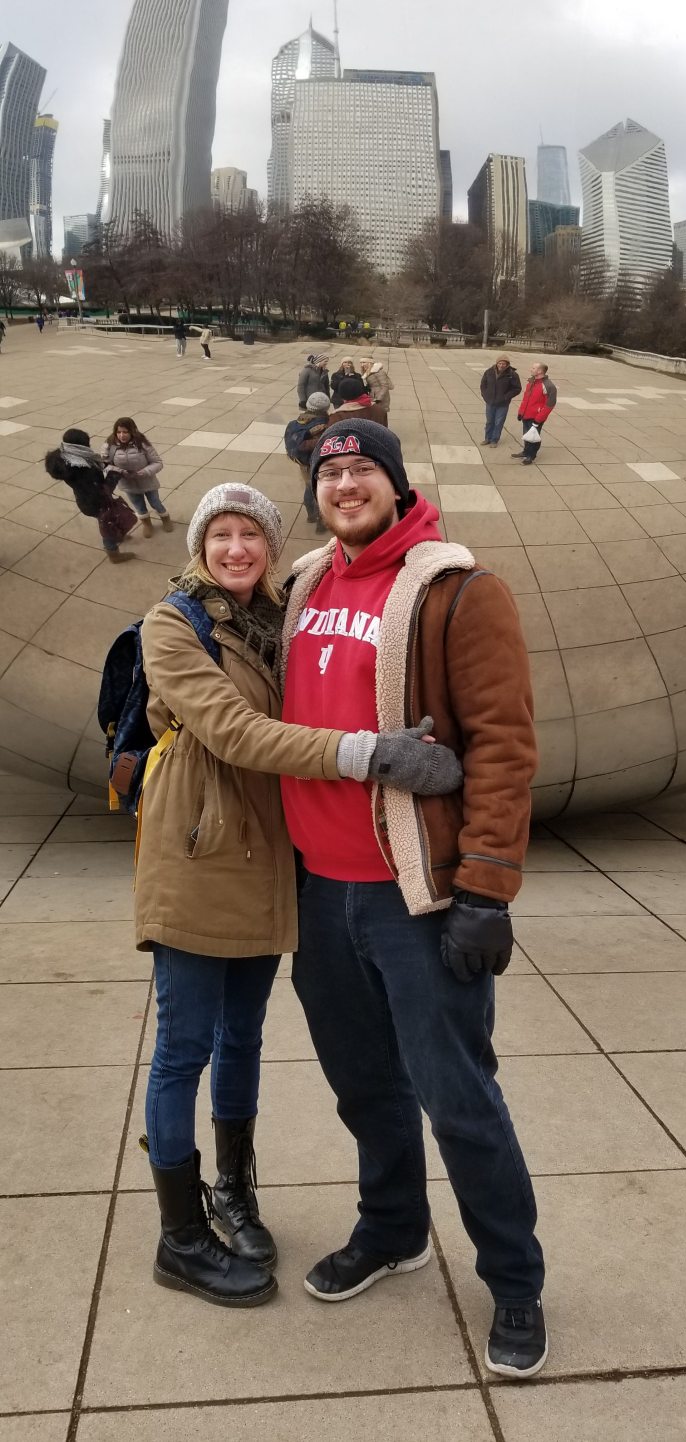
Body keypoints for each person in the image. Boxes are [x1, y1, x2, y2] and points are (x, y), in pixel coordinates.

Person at [135, 480, 464, 1308]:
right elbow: (235, 731)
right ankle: (180, 1236)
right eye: (221, 534)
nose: (236, 549)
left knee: (243, 1037)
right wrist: (367, 754)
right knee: (184, 1047)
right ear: (200, 545)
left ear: (272, 548)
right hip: (197, 855)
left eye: (252, 534)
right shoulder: (173, 624)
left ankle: (234, 1195)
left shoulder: (280, 618)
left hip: (268, 859)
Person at [281, 418, 547, 1380]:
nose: (346, 484)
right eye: (331, 472)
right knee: (365, 1089)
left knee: (458, 1099)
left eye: (364, 470)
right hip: (319, 894)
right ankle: (393, 1229)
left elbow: (505, 746)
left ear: (396, 484)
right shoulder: (304, 584)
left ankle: (514, 1282)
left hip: (417, 901)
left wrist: (487, 887)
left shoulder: (458, 590)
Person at [45, 428, 137, 563]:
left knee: (109, 521)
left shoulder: (68, 458)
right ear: (79, 446)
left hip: (85, 501)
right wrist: (114, 474)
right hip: (96, 502)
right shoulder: (80, 468)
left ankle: (117, 535)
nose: (88, 447)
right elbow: (102, 489)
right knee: (108, 525)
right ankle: (113, 553)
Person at [102, 417, 173, 535]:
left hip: (147, 481)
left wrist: (144, 472)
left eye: (125, 432)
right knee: (139, 506)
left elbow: (157, 463)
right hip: (128, 484)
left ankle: (165, 518)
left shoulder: (142, 444)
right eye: (119, 432)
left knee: (155, 502)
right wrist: (120, 471)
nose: (122, 435)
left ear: (132, 431)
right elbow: (105, 465)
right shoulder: (109, 446)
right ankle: (147, 524)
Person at [284, 392, 332, 532]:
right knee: (320, 490)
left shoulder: (298, 422)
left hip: (304, 463)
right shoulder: (324, 424)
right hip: (319, 462)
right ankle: (321, 522)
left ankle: (311, 515)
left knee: (309, 487)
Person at [512, 362, 557, 465]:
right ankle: (525, 452)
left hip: (536, 417)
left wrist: (538, 419)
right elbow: (525, 399)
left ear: (540, 371)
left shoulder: (549, 386)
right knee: (526, 435)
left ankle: (531, 456)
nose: (531, 369)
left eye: (533, 368)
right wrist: (520, 412)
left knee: (534, 437)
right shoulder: (531, 382)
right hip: (526, 415)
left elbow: (549, 405)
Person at [479, 355, 521, 447]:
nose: (501, 365)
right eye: (500, 363)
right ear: (497, 363)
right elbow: (483, 384)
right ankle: (487, 438)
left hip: (503, 404)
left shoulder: (512, 374)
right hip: (490, 402)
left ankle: (494, 440)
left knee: (498, 422)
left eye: (503, 364)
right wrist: (485, 395)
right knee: (489, 421)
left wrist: (506, 397)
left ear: (507, 364)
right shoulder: (489, 372)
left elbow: (517, 389)